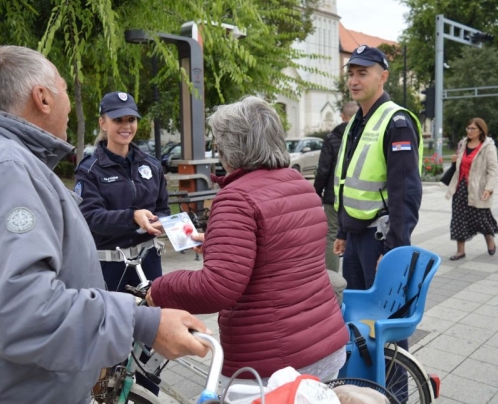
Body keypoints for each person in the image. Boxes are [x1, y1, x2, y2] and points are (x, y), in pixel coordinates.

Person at [0, 45, 209, 404]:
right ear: (42, 98)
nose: (68, 105)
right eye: (64, 89)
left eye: (131, 119)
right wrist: (141, 323)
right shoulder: (1, 171)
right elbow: (19, 310)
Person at [146, 96, 348, 385]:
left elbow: (217, 288)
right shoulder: (299, 185)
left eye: (218, 144)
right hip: (324, 343)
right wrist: (220, 243)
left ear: (232, 147)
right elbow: (281, 254)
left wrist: (161, 288)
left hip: (271, 363)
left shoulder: (236, 198)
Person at [333, 45, 423, 291]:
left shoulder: (397, 122)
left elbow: (405, 192)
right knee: (356, 310)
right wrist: (343, 230)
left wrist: (393, 249)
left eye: (362, 73)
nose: (353, 81)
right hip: (355, 237)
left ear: (383, 76)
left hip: (380, 238)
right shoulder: (357, 121)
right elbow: (347, 182)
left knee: (381, 314)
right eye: (351, 74)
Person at [75, 91, 169, 291]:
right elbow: (91, 218)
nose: (126, 126)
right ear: (103, 123)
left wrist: (160, 222)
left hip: (149, 261)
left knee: (153, 319)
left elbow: (163, 208)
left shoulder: (152, 166)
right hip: (110, 266)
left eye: (131, 119)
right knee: (113, 321)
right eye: (118, 120)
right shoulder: (89, 170)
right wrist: (132, 217)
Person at [314, 101, 359, 273]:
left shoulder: (332, 138)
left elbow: (323, 169)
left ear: (342, 116)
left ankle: (332, 278)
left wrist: (317, 192)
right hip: (357, 197)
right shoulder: (363, 135)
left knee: (332, 234)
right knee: (355, 234)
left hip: (333, 197)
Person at [446, 118, 498, 260]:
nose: (469, 131)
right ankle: (460, 250)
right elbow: (459, 163)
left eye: (472, 129)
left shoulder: (488, 146)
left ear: (481, 131)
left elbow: (493, 170)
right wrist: (454, 160)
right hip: (460, 187)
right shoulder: (462, 143)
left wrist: (489, 189)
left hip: (478, 188)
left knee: (481, 217)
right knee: (458, 218)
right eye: (468, 128)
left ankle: (489, 238)